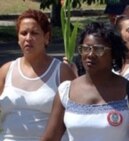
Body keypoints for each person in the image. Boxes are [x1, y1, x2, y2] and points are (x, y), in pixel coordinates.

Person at [41, 22, 129, 141]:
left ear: (113, 53)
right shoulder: (66, 91)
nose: (90, 54)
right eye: (85, 49)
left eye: (98, 50)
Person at [0, 9, 76, 141]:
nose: (28, 38)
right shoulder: (6, 70)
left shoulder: (62, 72)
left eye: (34, 33)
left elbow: (76, 116)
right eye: (23, 33)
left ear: (46, 37)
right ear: (18, 38)